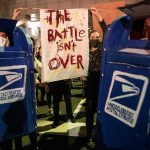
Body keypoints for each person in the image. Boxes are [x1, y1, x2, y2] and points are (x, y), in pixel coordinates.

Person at [84, 7, 108, 149]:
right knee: (88, 113)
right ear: (89, 38)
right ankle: (89, 137)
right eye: (92, 37)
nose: (94, 38)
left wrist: (98, 15)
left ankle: (100, 135)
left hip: (101, 81)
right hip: (89, 83)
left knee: (101, 112)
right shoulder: (84, 49)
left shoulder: (102, 47)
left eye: (96, 37)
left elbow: (106, 31)